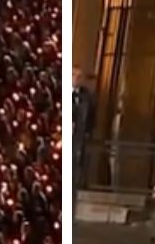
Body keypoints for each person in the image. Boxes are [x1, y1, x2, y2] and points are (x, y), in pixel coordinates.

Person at [72, 67, 94, 216]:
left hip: (78, 143)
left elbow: (91, 118)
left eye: (80, 76)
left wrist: (86, 133)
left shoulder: (87, 97)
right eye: (74, 75)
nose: (77, 78)